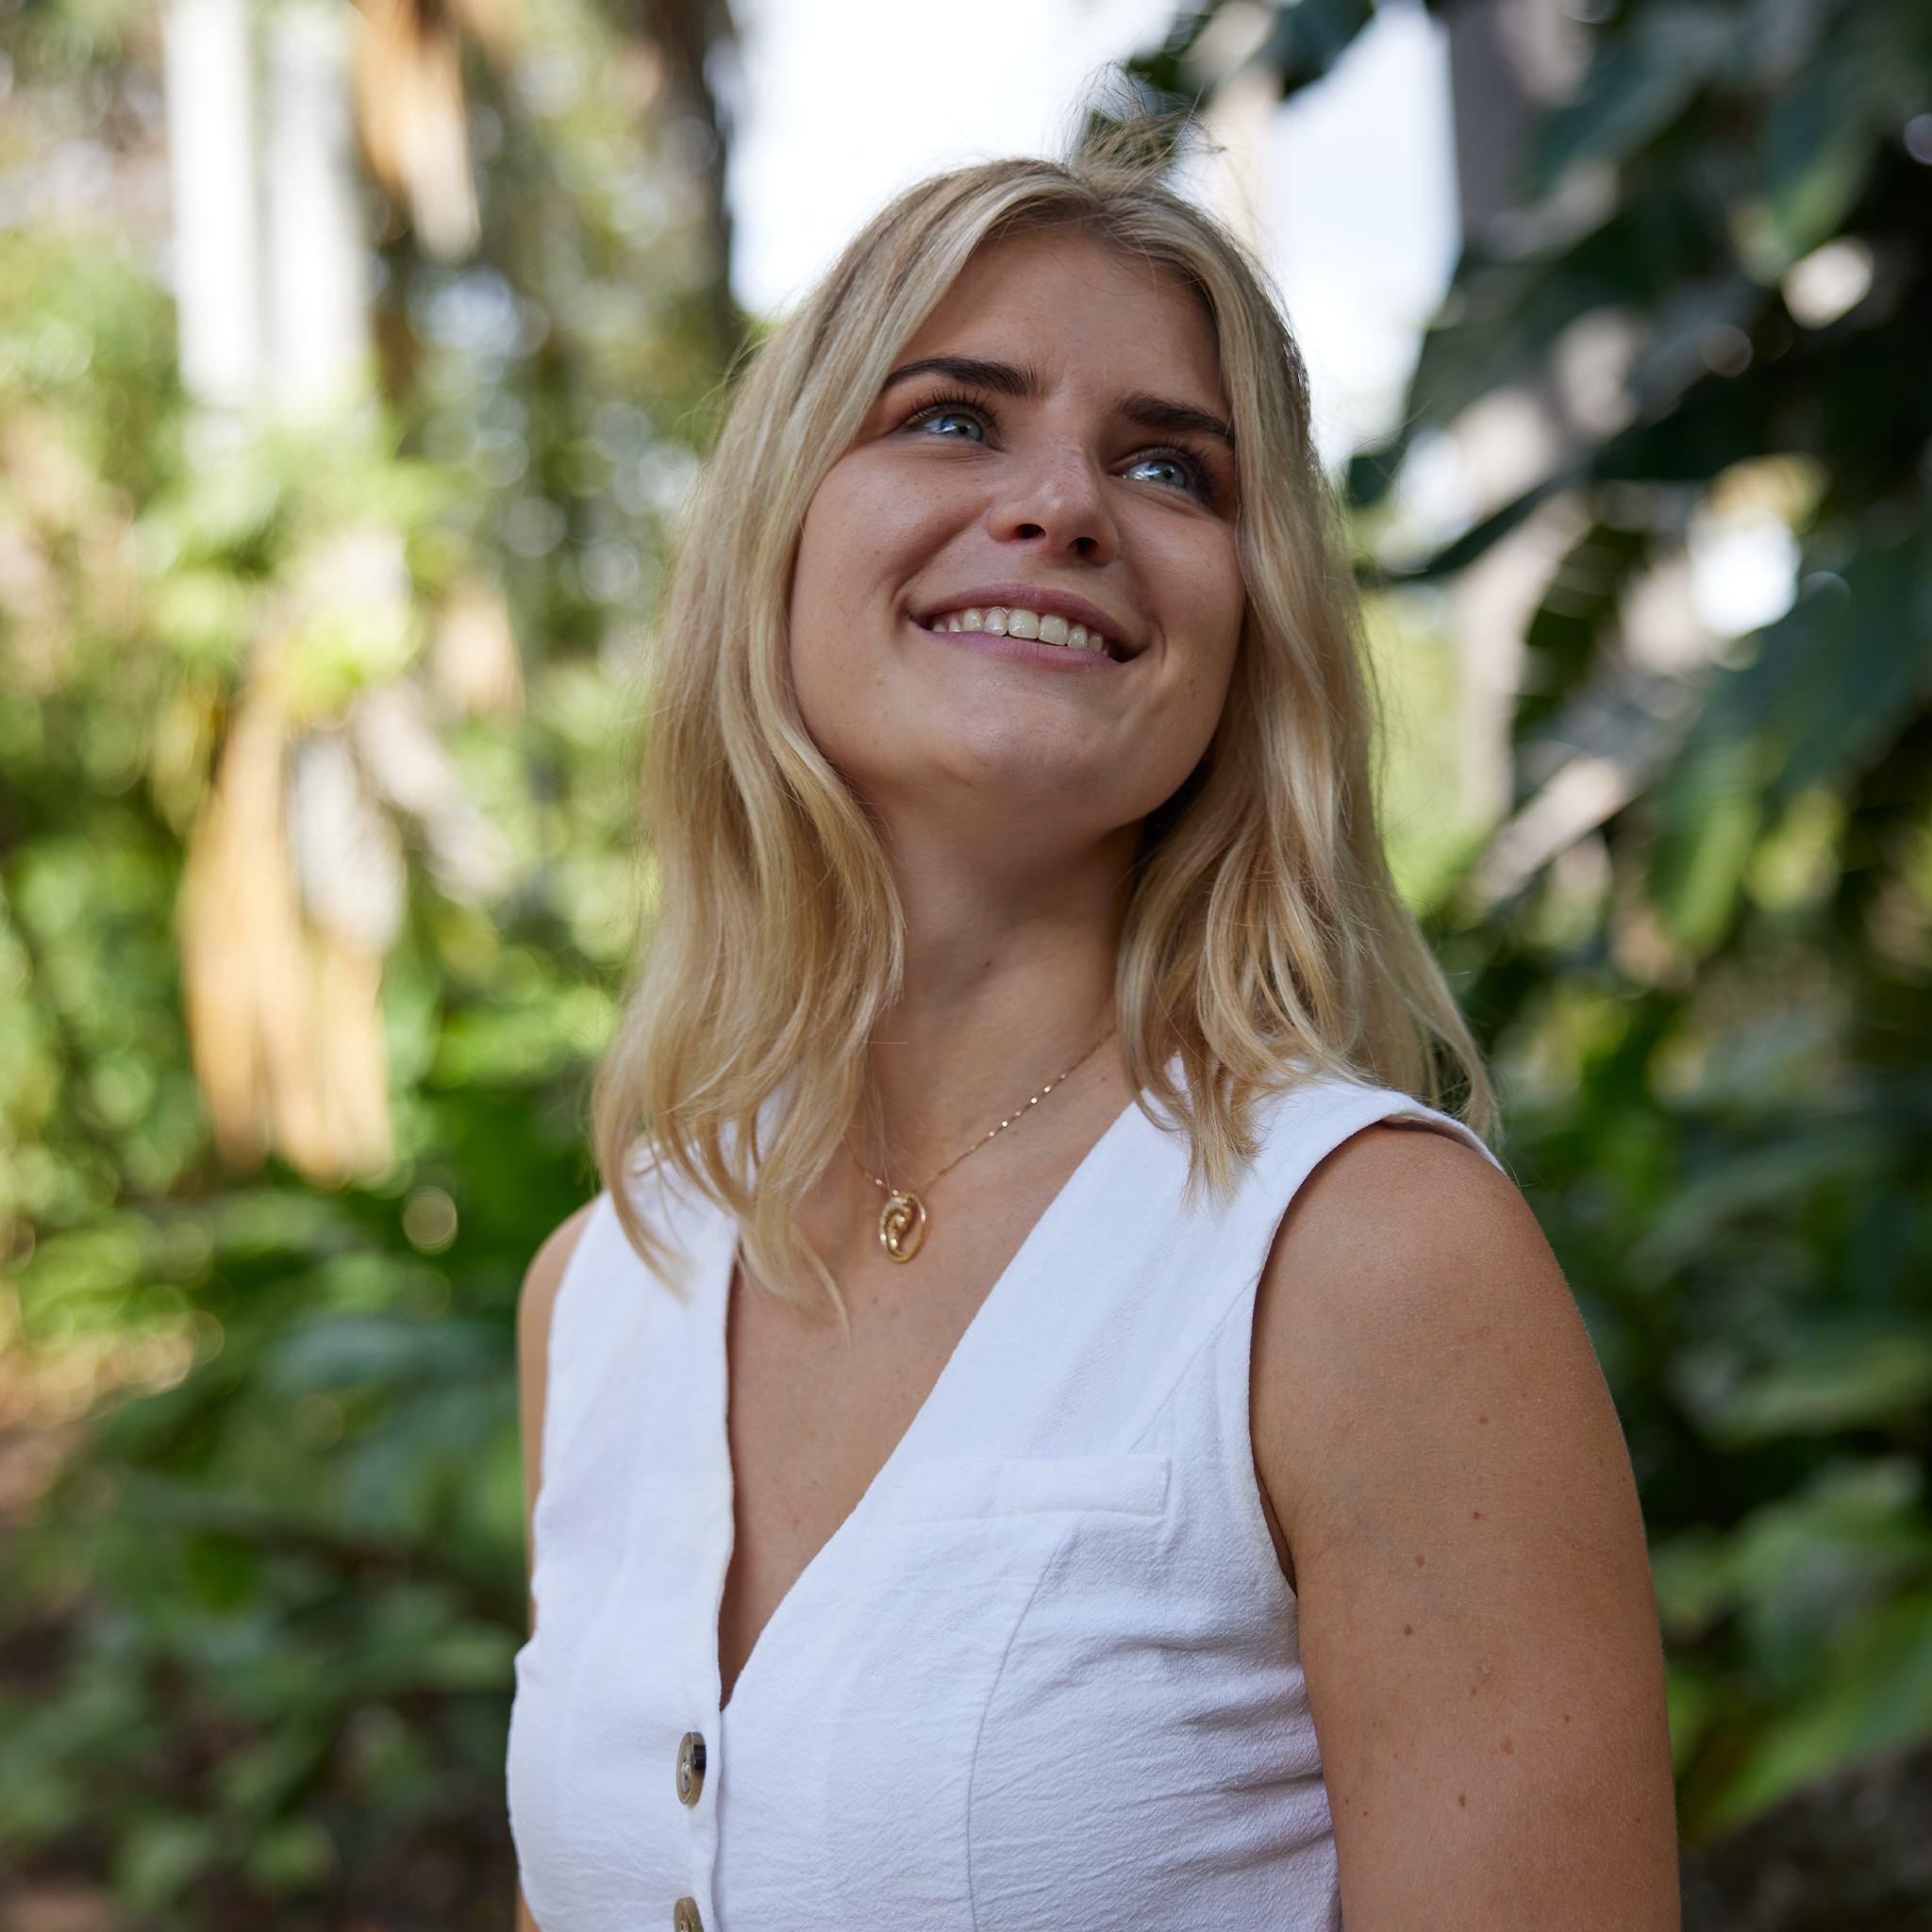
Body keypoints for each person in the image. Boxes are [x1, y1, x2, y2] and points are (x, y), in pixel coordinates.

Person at [506, 125, 1679, 1932]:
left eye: (1170, 467)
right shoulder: (605, 1285)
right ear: (781, 532)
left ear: (1245, 625)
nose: (1064, 504)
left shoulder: (1367, 1260)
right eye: (955, 418)